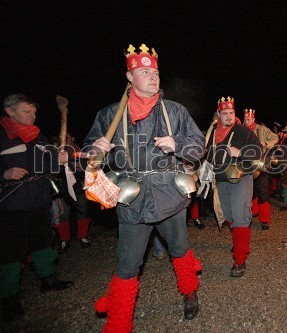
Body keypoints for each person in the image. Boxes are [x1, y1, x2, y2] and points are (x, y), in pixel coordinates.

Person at [83, 43, 206, 330]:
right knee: (127, 264)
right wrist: (94, 150)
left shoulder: (174, 111)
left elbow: (199, 146)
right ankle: (119, 324)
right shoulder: (109, 115)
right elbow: (90, 152)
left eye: (156, 72)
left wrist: (179, 145)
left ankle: (189, 292)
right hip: (131, 199)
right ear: (129, 76)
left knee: (179, 248)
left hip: (169, 194)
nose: (153, 77)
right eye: (145, 72)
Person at [0, 94, 74, 322]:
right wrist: (4, 173)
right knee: (11, 250)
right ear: (10, 111)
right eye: (27, 112)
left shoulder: (37, 135)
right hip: (12, 202)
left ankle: (47, 279)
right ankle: (9, 297)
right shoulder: (2, 135)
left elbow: (48, 163)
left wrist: (58, 157)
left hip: (39, 197)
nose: (33, 116)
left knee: (43, 240)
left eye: (34, 112)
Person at [205, 97, 261, 277]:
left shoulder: (243, 132)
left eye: (231, 113)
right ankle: (238, 240)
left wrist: (241, 152)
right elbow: (206, 153)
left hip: (240, 178)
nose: (228, 117)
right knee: (229, 215)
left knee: (240, 217)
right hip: (221, 180)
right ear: (218, 115)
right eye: (224, 114)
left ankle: (240, 259)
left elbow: (258, 152)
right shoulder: (212, 133)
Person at [54, 133, 92, 252]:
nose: (64, 141)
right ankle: (64, 240)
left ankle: (83, 237)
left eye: (67, 138)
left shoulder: (79, 152)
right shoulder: (56, 152)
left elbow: (84, 167)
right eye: (61, 139)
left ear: (73, 138)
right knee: (63, 214)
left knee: (82, 211)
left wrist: (70, 161)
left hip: (78, 186)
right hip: (62, 188)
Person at [243, 108, 278, 230]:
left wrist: (265, 143)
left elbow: (274, 137)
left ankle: (264, 220)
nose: (246, 121)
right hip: (247, 166)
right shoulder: (242, 130)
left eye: (248, 119)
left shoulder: (261, 129)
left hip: (261, 165)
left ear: (253, 118)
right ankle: (253, 213)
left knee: (262, 192)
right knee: (249, 193)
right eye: (245, 119)